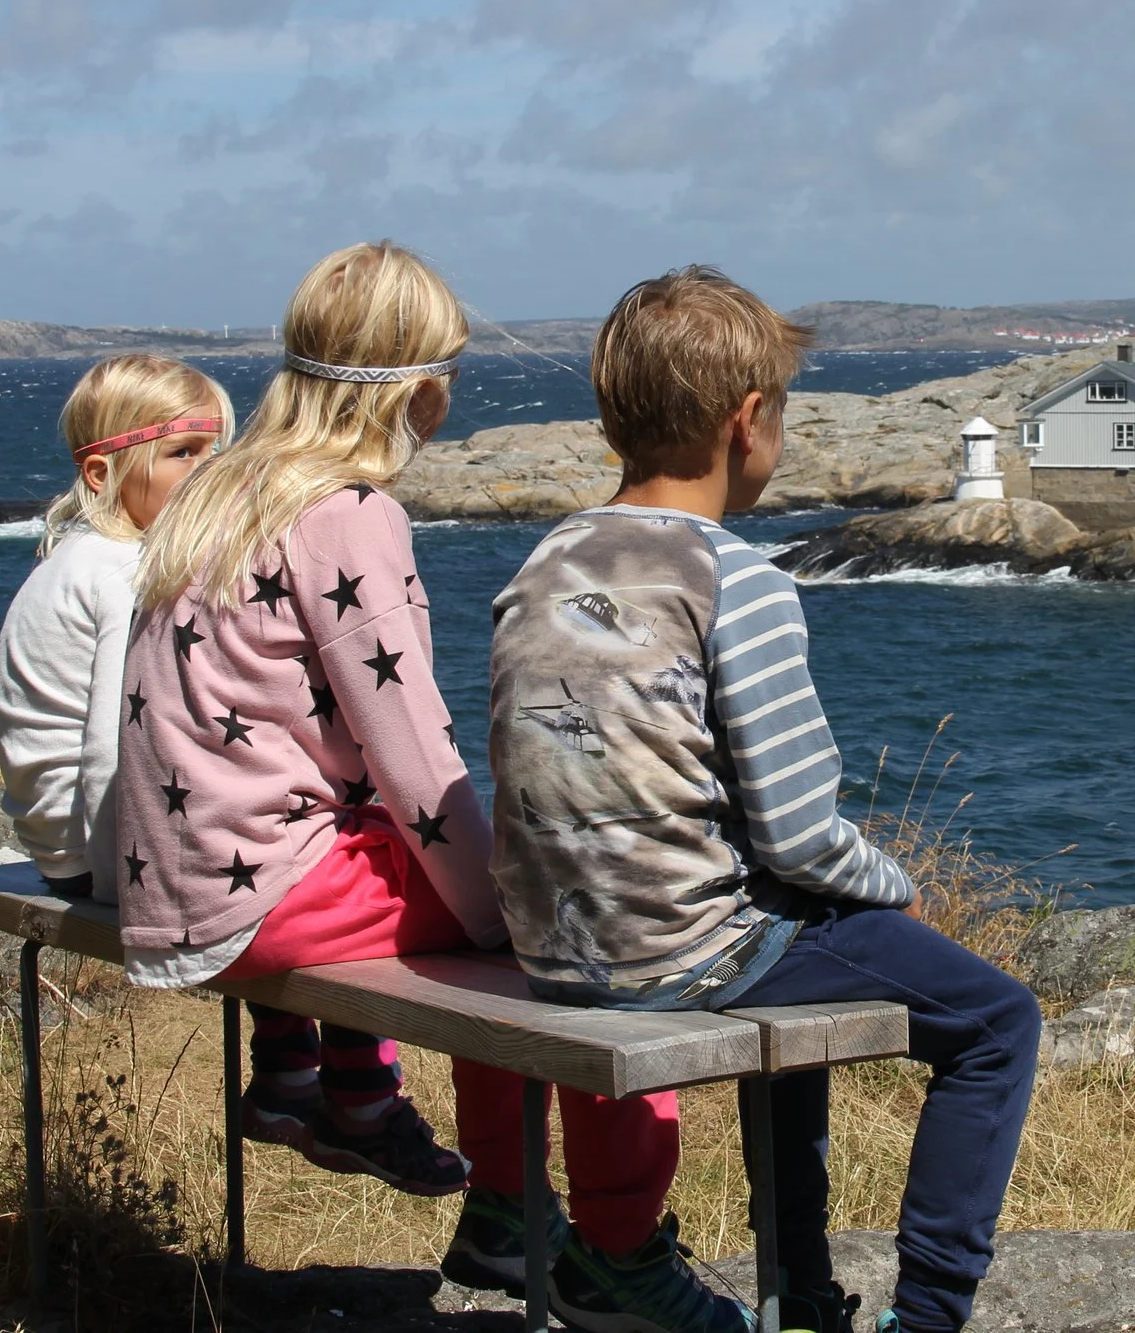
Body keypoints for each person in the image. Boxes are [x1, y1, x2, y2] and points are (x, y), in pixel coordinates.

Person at [115, 242, 706, 1329]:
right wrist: (503, 900)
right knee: (566, 926)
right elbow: (414, 755)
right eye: (447, 370)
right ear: (414, 389)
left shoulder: (225, 490)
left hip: (182, 877)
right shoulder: (347, 515)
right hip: (272, 890)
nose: (450, 393)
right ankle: (613, 1239)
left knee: (508, 932)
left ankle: (505, 1208)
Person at [488, 267, 1042, 1333]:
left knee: (801, 937)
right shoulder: (737, 579)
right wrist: (895, 885)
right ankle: (926, 1315)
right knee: (993, 1019)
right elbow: (797, 832)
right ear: (749, 422)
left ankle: (806, 1292)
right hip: (682, 950)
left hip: (556, 945)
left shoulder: (547, 558)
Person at [0, 352, 232, 904]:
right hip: (96, 852)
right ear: (102, 473)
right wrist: (120, 880)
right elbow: (113, 741)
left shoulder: (84, 555)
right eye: (183, 453)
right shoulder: (125, 574)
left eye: (216, 452)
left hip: (64, 845)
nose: (209, 470)